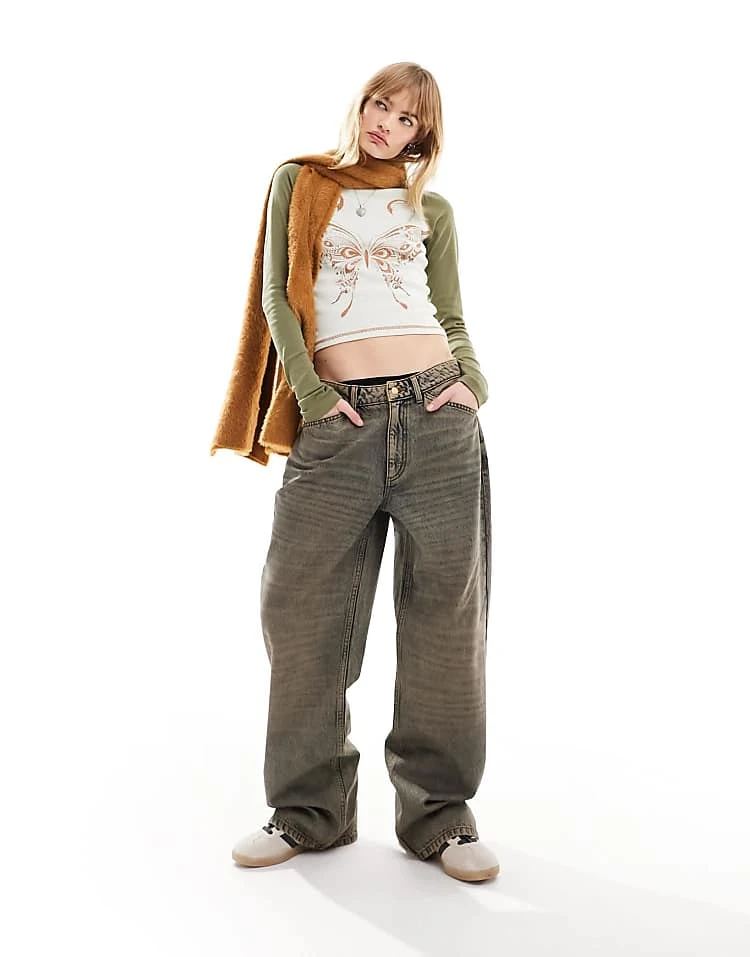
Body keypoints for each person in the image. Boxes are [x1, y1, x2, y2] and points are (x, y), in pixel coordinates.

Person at [210, 61, 498, 883]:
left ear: (421, 138)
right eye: (380, 104)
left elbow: (449, 314)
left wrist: (473, 382)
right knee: (299, 605)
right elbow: (278, 295)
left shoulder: (431, 210)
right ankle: (310, 810)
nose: (386, 124)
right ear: (361, 104)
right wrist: (311, 392)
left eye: (406, 119)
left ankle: (441, 816)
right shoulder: (302, 183)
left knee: (447, 618)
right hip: (339, 424)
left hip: (439, 417)